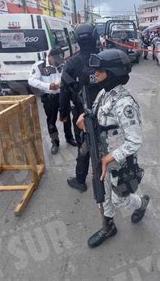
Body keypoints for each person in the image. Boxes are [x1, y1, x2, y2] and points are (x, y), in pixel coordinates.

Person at [76, 48, 150, 248]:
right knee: (102, 194)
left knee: (119, 200)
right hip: (101, 155)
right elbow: (96, 113)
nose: (96, 74)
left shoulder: (124, 104)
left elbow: (135, 141)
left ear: (113, 73)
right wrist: (85, 116)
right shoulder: (104, 93)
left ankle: (141, 203)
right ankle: (108, 226)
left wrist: (110, 158)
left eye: (100, 71)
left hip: (118, 161)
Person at [61, 23, 101, 192]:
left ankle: (80, 180)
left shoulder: (71, 63)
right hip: (105, 110)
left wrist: (63, 113)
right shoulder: (104, 58)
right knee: (104, 142)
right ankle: (106, 177)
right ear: (95, 38)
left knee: (84, 146)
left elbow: (63, 92)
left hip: (81, 113)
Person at [28, 48, 77, 155]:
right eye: (56, 60)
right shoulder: (39, 66)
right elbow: (31, 80)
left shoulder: (63, 64)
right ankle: (55, 142)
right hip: (49, 97)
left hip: (63, 95)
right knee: (51, 121)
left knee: (66, 118)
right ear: (49, 56)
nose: (58, 62)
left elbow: (67, 77)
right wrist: (48, 86)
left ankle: (69, 138)